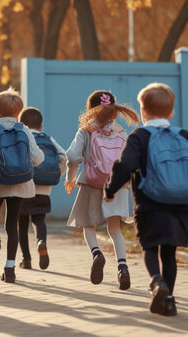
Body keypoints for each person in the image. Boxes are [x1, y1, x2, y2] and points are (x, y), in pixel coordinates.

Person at [104, 83, 188, 316]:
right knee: (169, 253)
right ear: (171, 112)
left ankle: (156, 282)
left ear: (143, 112)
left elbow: (125, 165)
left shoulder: (140, 136)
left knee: (150, 248)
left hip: (149, 204)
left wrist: (110, 189)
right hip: (180, 206)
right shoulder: (182, 135)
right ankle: (169, 302)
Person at [65, 91, 139, 290]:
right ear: (114, 112)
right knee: (115, 229)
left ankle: (97, 254)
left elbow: (71, 157)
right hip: (116, 185)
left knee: (88, 225)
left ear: (90, 112)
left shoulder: (85, 131)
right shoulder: (121, 132)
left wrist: (70, 179)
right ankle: (122, 267)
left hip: (91, 182)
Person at [0, 88, 44, 283]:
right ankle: (10, 268)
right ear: (18, 112)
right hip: (20, 183)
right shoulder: (25, 130)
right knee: (12, 224)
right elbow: (37, 158)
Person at [17, 107, 67, 270]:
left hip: (23, 188)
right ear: (40, 126)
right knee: (39, 220)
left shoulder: (21, 136)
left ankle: (26, 259)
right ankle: (41, 241)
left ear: (21, 124)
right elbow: (63, 156)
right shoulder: (48, 138)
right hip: (44, 189)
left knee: (22, 224)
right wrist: (56, 174)